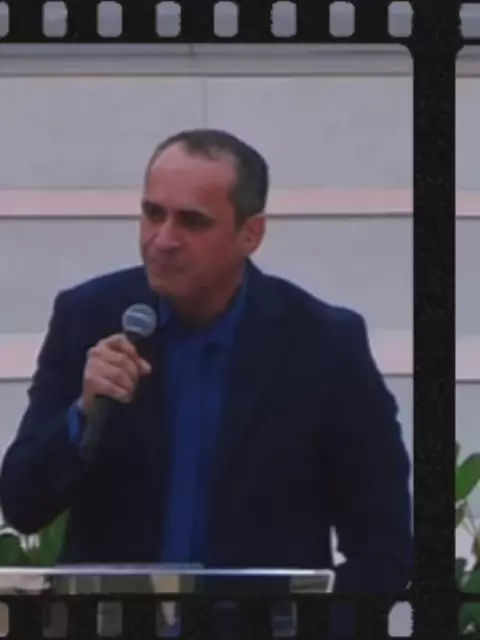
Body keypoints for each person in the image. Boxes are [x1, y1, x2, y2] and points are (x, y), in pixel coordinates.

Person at [0, 129, 412, 636]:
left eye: (192, 221)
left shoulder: (325, 345)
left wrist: (312, 626)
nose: (163, 239)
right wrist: (83, 413)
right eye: (152, 213)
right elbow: (21, 504)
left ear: (250, 233)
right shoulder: (86, 317)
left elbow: (384, 547)